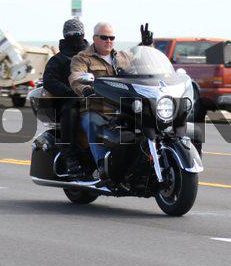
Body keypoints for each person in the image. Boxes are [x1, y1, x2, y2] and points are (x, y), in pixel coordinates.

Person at [69, 22, 153, 177]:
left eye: (111, 37)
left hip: (124, 108)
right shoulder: (82, 58)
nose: (109, 41)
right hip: (97, 109)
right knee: (92, 123)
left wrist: (146, 46)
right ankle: (103, 166)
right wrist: (85, 89)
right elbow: (76, 76)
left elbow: (144, 63)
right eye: (104, 37)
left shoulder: (123, 57)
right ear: (95, 38)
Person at [42, 18, 89, 176]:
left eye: (78, 33)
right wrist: (70, 91)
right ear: (65, 35)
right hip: (70, 100)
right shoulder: (59, 59)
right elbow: (49, 81)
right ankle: (69, 156)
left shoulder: (93, 55)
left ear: (83, 34)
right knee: (70, 110)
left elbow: (120, 64)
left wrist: (144, 46)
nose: (75, 36)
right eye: (71, 34)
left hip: (97, 97)